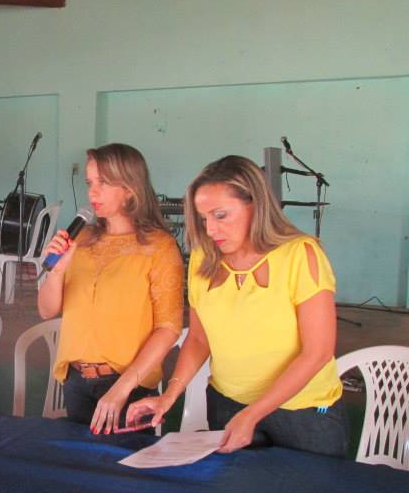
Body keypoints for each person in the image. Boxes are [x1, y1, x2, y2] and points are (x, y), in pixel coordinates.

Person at [127, 155, 348, 457]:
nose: (210, 229)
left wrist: (253, 414)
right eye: (204, 218)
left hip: (304, 412)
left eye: (220, 215)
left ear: (255, 206)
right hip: (227, 404)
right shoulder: (204, 260)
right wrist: (169, 396)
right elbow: (199, 339)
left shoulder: (300, 254)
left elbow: (317, 353)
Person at [38, 143, 184, 434]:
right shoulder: (81, 240)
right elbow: (46, 310)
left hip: (128, 385)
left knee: (122, 471)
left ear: (130, 188)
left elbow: (169, 328)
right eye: (90, 183)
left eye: (103, 183)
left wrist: (121, 388)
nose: (93, 192)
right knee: (79, 467)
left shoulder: (159, 247)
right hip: (76, 379)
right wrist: (56, 272)